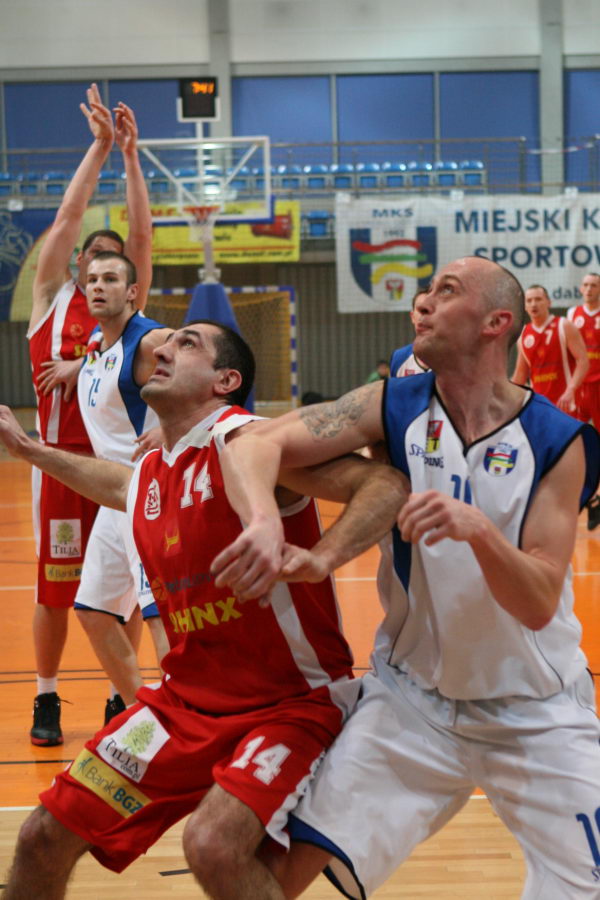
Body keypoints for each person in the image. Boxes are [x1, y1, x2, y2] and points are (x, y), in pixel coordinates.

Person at [211, 255, 600, 899]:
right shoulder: (394, 403)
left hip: (534, 709)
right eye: (426, 289)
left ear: (495, 322)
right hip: (411, 701)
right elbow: (254, 443)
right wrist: (261, 521)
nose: (424, 300)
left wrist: (477, 529)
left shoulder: (559, 439)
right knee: (273, 871)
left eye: (447, 290)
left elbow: (537, 602)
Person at [0, 321, 406, 900]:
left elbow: (385, 484)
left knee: (213, 845)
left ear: (226, 380)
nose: (163, 347)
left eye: (187, 343)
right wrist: (29, 450)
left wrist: (322, 557)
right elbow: (120, 485)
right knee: (42, 834)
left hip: (290, 705)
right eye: (165, 342)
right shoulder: (155, 467)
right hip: (182, 706)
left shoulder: (249, 442)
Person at [27, 84, 153, 746]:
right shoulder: (52, 297)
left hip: (119, 473)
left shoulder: (127, 318)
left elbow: (141, 234)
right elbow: (66, 216)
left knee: (124, 596)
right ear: (78, 263)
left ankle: (120, 699)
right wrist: (100, 148)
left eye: (113, 264)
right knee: (56, 594)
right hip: (58, 468)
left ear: (127, 281)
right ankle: (45, 695)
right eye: (91, 259)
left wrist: (131, 156)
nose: (99, 268)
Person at [73, 250, 170, 717]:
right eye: (92, 279)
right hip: (113, 500)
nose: (98, 286)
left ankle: (185, 719)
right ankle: (142, 714)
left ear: (132, 292)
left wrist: (173, 428)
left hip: (149, 495)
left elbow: (221, 370)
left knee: (160, 617)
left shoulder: (151, 340)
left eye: (110, 279)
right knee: (93, 610)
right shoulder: (97, 343)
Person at [512, 283, 588, 413]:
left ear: (549, 302)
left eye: (538, 299)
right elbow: (520, 375)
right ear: (525, 306)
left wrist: (571, 390)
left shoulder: (564, 325)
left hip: (566, 402)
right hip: (540, 404)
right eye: (529, 301)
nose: (533, 304)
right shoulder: (523, 334)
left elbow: (583, 361)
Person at [567, 272, 600, 529]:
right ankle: (588, 496)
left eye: (594, 285)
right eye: (586, 285)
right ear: (580, 289)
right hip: (578, 387)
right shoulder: (572, 314)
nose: (589, 289)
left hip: (599, 385)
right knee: (574, 441)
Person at [389, 288, 430, 377]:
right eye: (421, 310)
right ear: (412, 317)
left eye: (429, 310)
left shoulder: (456, 359)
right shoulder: (399, 358)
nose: (424, 316)